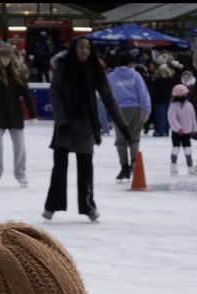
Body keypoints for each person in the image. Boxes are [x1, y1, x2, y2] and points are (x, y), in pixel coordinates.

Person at [43, 36, 129, 222]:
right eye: (81, 47)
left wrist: (123, 125)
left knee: (85, 168)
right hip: (65, 125)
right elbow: (55, 93)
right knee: (59, 167)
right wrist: (62, 120)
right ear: (74, 49)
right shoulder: (63, 67)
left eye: (88, 48)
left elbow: (108, 98)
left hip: (85, 125)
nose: (84, 51)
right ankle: (51, 206)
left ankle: (88, 205)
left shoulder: (95, 69)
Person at [0, 45, 37, 187]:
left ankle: (20, 173)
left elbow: (27, 95)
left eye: (7, 58)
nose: (5, 61)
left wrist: (33, 114)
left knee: (19, 145)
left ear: (12, 59)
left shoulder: (18, 73)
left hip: (14, 113)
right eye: (3, 58)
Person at [107, 51, 151, 180]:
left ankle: (124, 167)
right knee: (134, 138)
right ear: (132, 63)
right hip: (135, 109)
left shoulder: (111, 76)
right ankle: (134, 162)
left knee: (121, 141)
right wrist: (146, 110)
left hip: (118, 110)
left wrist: (109, 108)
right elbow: (143, 93)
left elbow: (107, 93)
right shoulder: (135, 75)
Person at [167, 84, 197, 174]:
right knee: (175, 148)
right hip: (177, 132)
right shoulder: (173, 106)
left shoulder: (189, 105)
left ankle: (190, 166)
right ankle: (173, 165)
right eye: (181, 95)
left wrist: (194, 128)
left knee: (188, 149)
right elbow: (172, 118)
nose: (183, 96)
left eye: (184, 94)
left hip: (187, 132)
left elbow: (193, 118)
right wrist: (178, 128)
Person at [151, 63, 173, 136]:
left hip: (159, 99)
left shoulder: (158, 80)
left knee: (160, 116)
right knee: (167, 115)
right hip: (168, 98)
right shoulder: (169, 79)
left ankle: (160, 131)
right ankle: (166, 131)